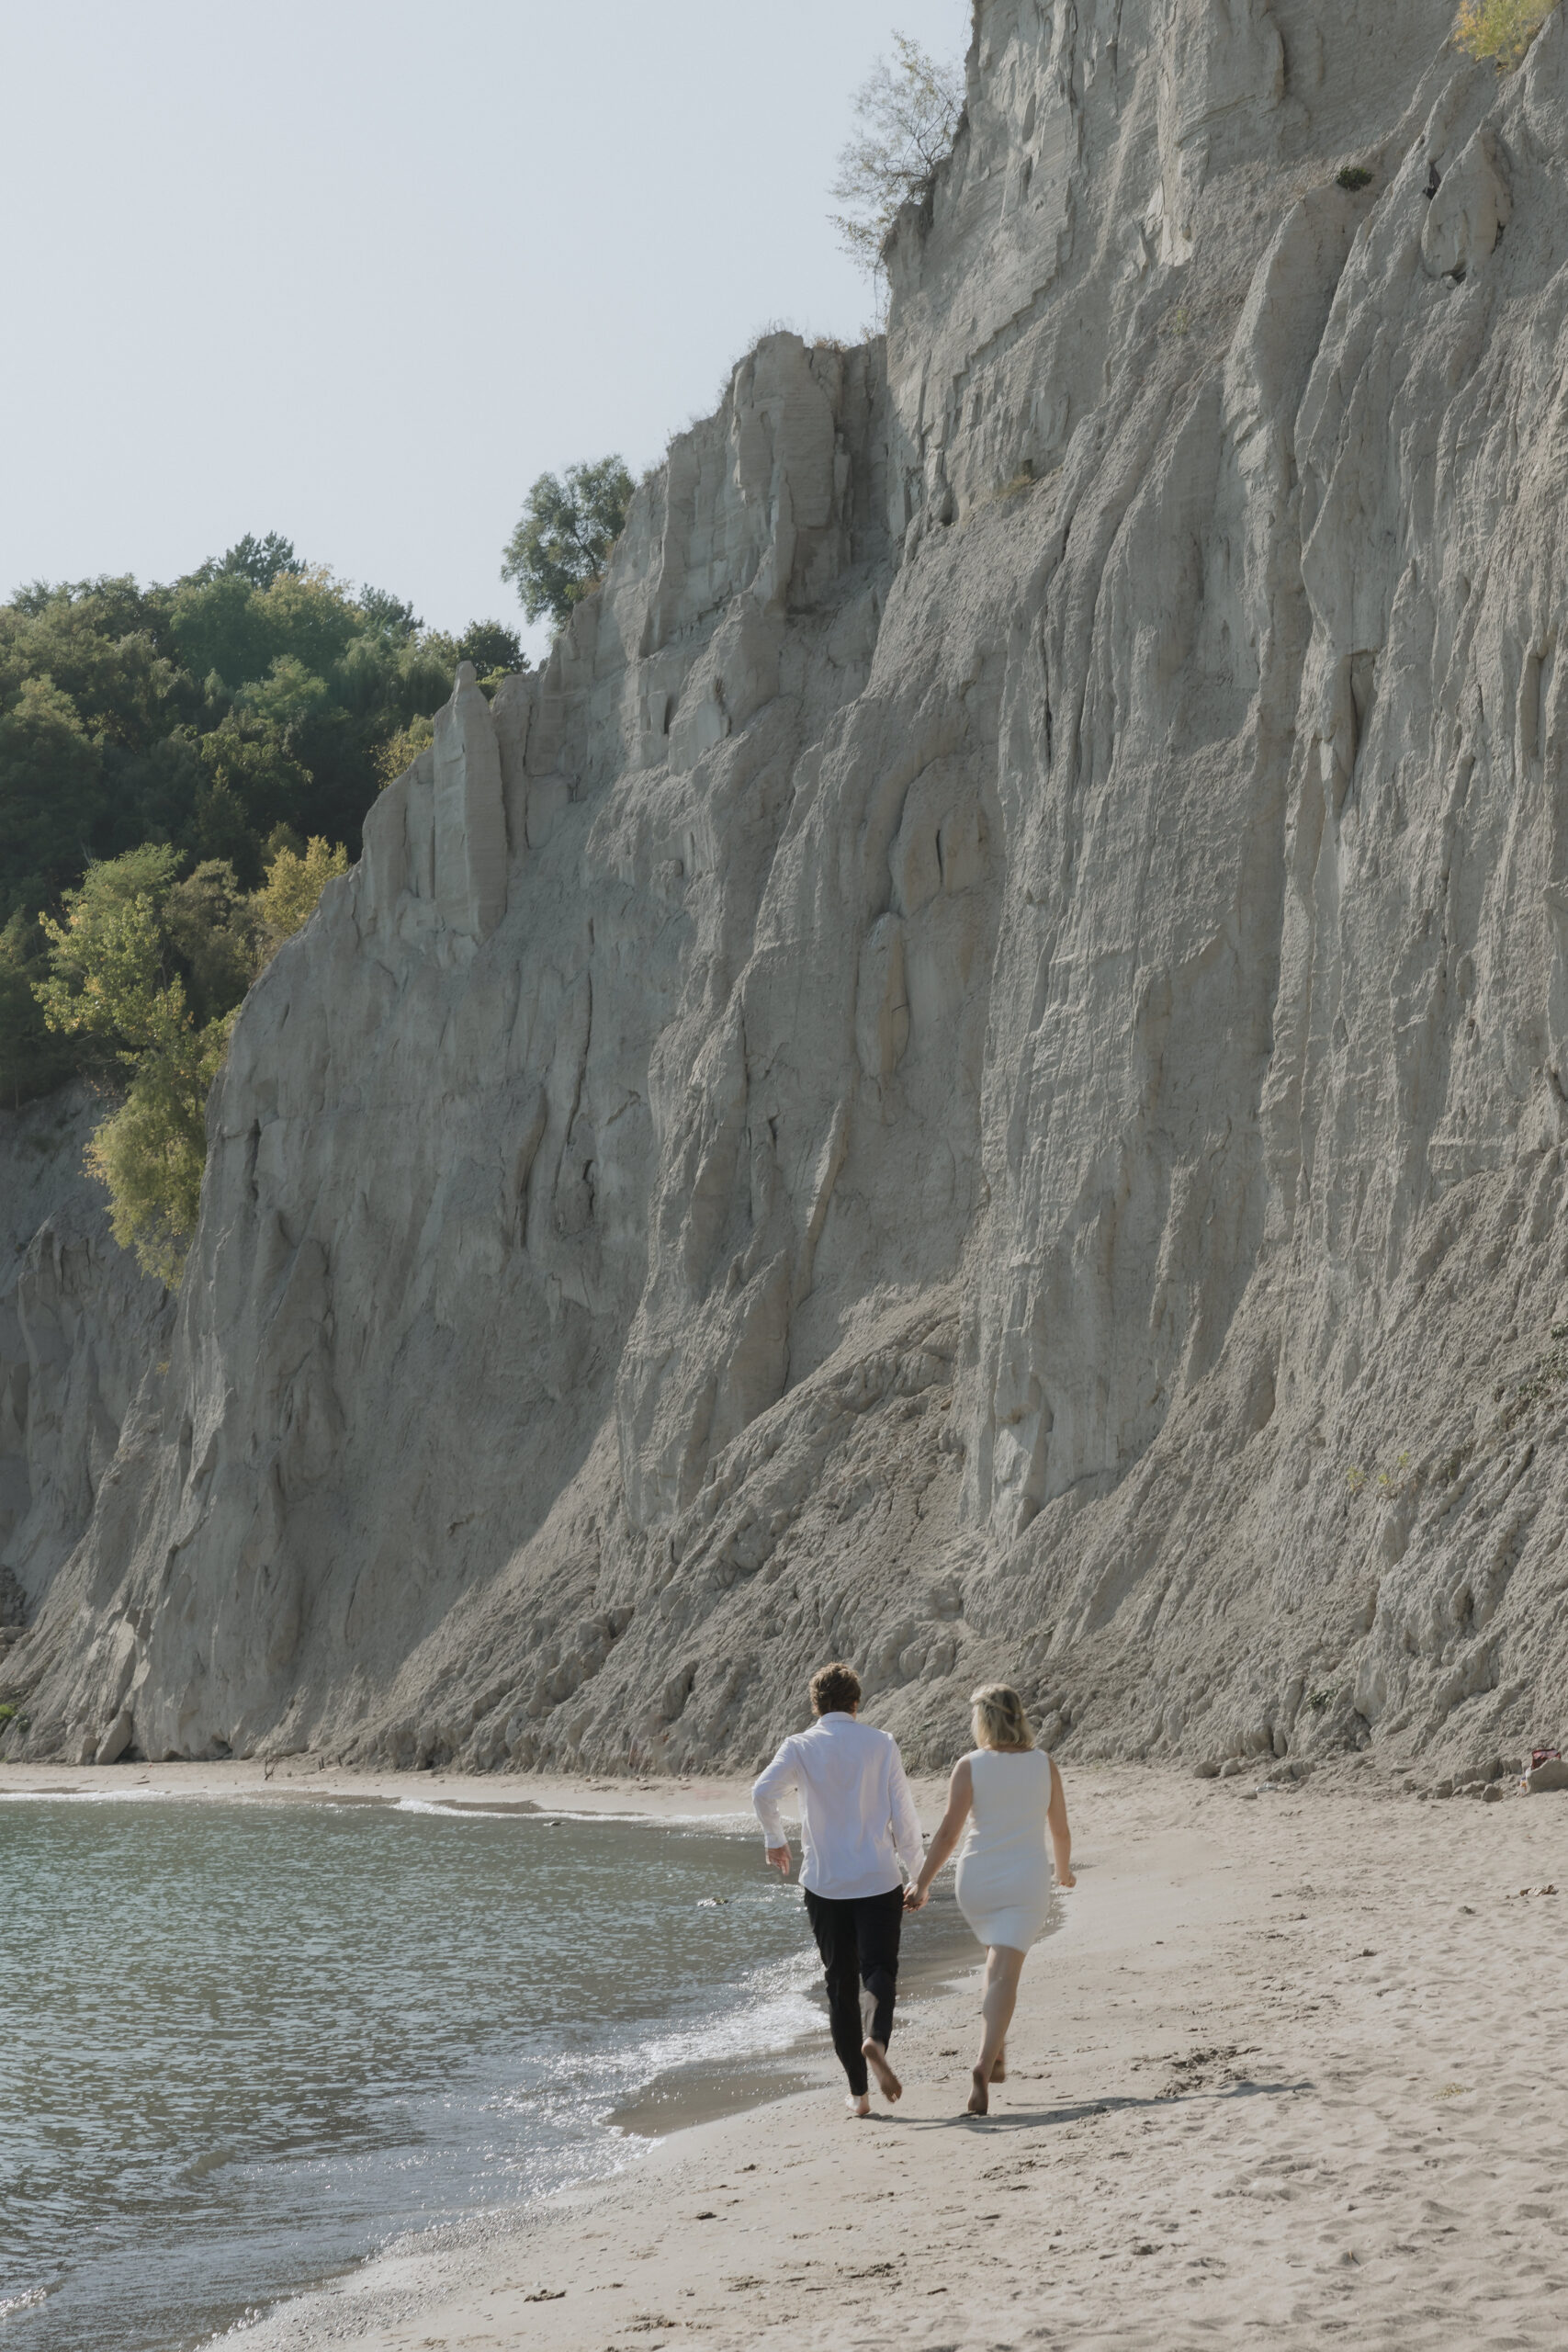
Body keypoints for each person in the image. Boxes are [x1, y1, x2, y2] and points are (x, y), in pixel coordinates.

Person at [752, 1660, 925, 2118]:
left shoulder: (801, 1746)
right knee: (879, 1971)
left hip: (825, 1884)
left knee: (839, 1984)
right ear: (855, 1703)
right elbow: (903, 1814)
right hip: (878, 1879)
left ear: (816, 1706)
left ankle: (859, 2095)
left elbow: (762, 1792)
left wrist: (776, 1840)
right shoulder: (881, 1744)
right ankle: (876, 2039)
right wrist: (919, 1876)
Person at [904, 1681, 1073, 2115]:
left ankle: (996, 2054)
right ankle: (982, 2062)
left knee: (995, 1965)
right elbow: (1059, 1829)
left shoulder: (969, 1765)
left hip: (976, 1880)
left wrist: (921, 1883)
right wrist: (1064, 1870)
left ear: (982, 1720)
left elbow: (948, 1833)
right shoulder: (1043, 1764)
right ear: (1019, 1717)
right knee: (1004, 1976)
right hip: (1025, 1881)